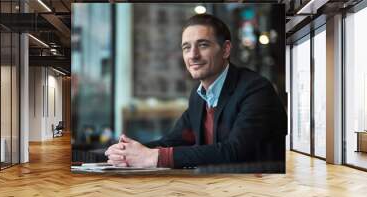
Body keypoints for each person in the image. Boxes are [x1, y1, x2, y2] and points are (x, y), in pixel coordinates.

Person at [105, 14, 287, 169]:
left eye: (203, 45)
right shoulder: (199, 96)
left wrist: (154, 158)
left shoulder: (256, 89)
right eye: (186, 47)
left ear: (225, 49)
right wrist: (129, 151)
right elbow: (173, 141)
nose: (193, 55)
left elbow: (235, 151)